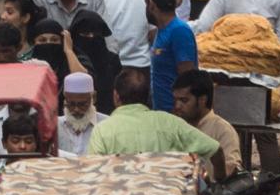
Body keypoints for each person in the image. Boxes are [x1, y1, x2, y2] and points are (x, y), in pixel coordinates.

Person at [89, 67, 222, 159]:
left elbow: (93, 170)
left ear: (116, 96)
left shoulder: (102, 130)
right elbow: (215, 150)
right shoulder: (170, 123)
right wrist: (219, 179)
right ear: (147, 96)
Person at [172, 70, 245, 172]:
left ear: (202, 100)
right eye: (175, 100)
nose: (177, 106)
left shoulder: (223, 130)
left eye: (184, 100)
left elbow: (230, 172)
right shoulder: (173, 126)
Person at [147, 0, 196, 111]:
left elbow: (187, 77)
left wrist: (179, 112)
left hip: (175, 114)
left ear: (151, 5)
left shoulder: (179, 31)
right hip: (161, 112)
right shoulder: (160, 31)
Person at [54, 71, 102, 152]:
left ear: (94, 98)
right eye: (71, 104)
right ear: (65, 99)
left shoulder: (105, 125)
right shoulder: (55, 125)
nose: (76, 109)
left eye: (82, 104)